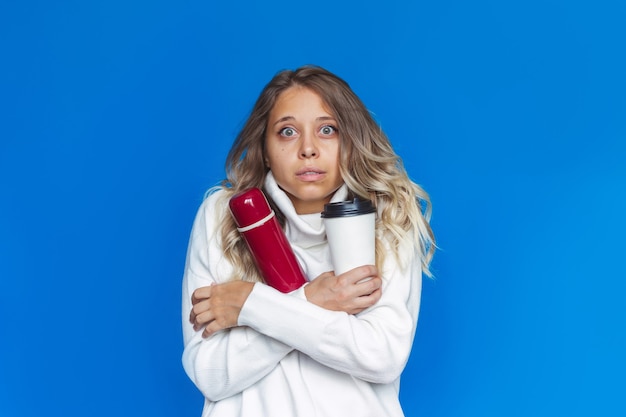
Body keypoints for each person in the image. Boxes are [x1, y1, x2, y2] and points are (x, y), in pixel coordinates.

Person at [181, 65, 435, 417]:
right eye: (287, 132)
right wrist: (314, 299)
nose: (308, 149)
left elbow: (381, 357)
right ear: (265, 148)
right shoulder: (222, 216)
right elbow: (209, 373)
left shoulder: (387, 217)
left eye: (327, 130)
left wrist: (251, 305)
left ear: (351, 141)